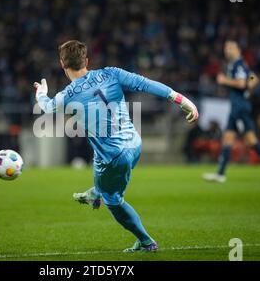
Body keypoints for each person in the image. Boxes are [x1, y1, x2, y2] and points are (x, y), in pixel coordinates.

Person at [34, 40, 199, 252]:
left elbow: (46, 107)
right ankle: (98, 190)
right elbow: (145, 83)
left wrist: (40, 92)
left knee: (113, 199)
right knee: (98, 153)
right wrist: (182, 100)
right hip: (135, 143)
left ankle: (146, 242)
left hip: (116, 157)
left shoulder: (66, 96)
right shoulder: (111, 73)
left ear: (62, 64)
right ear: (86, 60)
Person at [202, 40, 260, 183]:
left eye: (231, 47)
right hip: (236, 106)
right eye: (226, 47)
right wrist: (251, 83)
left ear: (238, 50)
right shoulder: (239, 64)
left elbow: (241, 83)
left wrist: (224, 80)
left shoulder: (238, 64)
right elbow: (252, 77)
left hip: (240, 106)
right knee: (227, 138)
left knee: (250, 139)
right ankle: (220, 173)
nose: (227, 50)